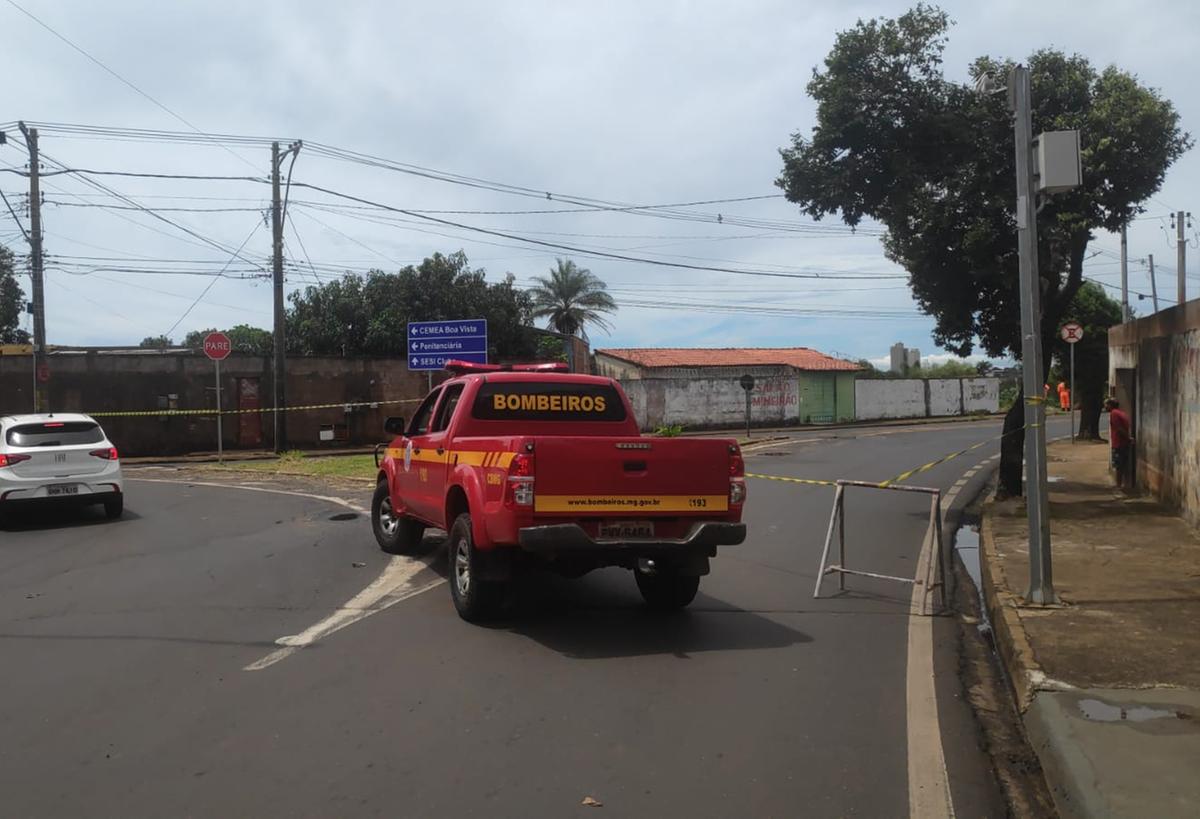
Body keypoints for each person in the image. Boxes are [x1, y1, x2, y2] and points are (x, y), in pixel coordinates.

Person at [1105, 398, 1134, 488]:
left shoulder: (1114, 414)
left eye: (1106, 405)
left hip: (1118, 443)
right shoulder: (1121, 413)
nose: (1105, 407)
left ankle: (1119, 485)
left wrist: (1128, 438)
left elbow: (1119, 428)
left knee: (1119, 465)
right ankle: (1125, 484)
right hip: (1123, 442)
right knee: (1124, 464)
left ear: (1110, 405)